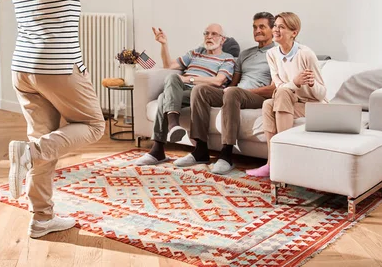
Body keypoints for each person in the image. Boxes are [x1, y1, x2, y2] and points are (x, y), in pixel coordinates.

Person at [0, 0, 185, 238]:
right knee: (94, 125)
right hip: (56, 67)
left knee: (42, 137)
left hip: (23, 69)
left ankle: (41, 218)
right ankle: (29, 156)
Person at [174, 12, 277, 174]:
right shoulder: (245, 54)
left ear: (273, 29)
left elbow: (273, 89)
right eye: (255, 27)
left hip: (258, 96)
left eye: (262, 27)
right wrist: (224, 90)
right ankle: (200, 150)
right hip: (236, 93)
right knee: (200, 90)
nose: (257, 30)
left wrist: (239, 91)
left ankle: (226, 154)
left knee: (232, 93)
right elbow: (233, 83)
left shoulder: (277, 54)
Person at [133, 24, 235, 166]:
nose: (209, 37)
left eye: (214, 34)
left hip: (204, 92)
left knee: (163, 98)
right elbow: (169, 65)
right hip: (182, 89)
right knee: (171, 78)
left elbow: (218, 81)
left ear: (223, 40)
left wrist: (189, 79)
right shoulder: (195, 53)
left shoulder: (228, 59)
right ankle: (173, 128)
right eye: (206, 33)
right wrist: (164, 44)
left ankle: (158, 149)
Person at [246, 12, 327, 178]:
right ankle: (271, 163)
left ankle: (284, 160)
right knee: (269, 103)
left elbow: (321, 94)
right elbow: (278, 85)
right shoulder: (272, 54)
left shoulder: (305, 54)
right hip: (288, 100)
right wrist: (295, 82)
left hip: (313, 105)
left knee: (281, 93)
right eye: (275, 26)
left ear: (294, 33)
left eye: (281, 27)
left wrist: (311, 84)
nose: (275, 30)